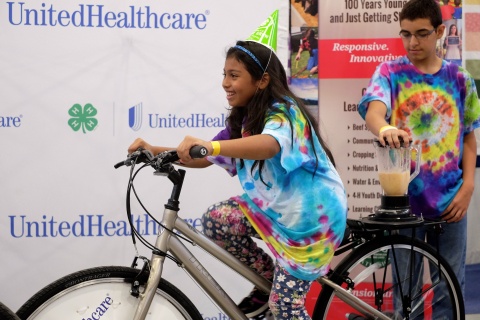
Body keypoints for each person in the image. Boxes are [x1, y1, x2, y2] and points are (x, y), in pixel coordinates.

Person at [128, 40, 348, 319]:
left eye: (234, 75)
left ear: (262, 81)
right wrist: (153, 150)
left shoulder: (285, 111)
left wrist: (213, 146)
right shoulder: (245, 119)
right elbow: (203, 156)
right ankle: (266, 282)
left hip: (311, 220)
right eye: (224, 74)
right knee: (218, 220)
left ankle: (275, 295)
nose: (224, 83)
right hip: (273, 209)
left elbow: (270, 145)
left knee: (285, 308)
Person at [358, 0, 480, 318]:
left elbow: (468, 137)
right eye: (406, 34)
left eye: (422, 33)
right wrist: (384, 128)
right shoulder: (389, 72)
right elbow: (374, 110)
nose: (413, 42)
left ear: (440, 31)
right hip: (403, 205)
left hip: (451, 202)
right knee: (405, 293)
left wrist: (468, 187)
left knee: (449, 288)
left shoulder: (460, 79)